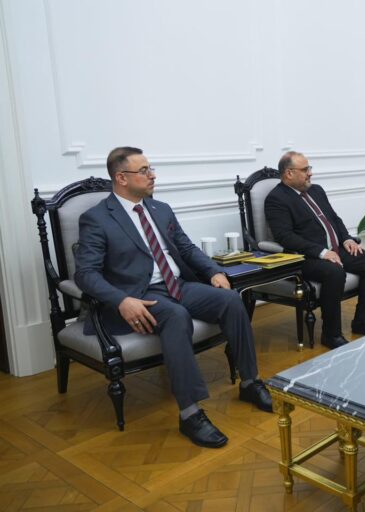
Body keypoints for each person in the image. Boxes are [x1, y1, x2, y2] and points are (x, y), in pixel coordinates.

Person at [75, 146, 272, 449]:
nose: (152, 175)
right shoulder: (97, 218)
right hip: (138, 296)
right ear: (121, 178)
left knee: (232, 299)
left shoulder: (160, 209)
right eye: (144, 170)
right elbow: (85, 274)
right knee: (175, 315)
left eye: (151, 168)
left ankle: (250, 382)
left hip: (178, 285)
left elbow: (187, 248)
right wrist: (122, 301)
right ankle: (190, 414)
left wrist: (214, 272)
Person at [265, 151, 365, 349]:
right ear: (289, 173)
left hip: (336, 249)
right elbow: (285, 237)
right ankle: (331, 334)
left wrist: (346, 239)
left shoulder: (316, 190)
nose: (310, 173)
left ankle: (363, 321)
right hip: (307, 257)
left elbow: (334, 219)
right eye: (305, 170)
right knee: (334, 272)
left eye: (309, 168)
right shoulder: (276, 199)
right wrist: (322, 252)